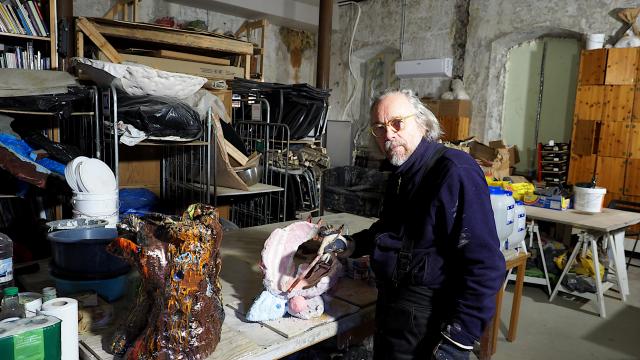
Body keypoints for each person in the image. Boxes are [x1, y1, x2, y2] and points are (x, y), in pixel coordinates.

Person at [347, 89, 506, 360]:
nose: (388, 134)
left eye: (397, 123)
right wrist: (351, 244)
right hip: (395, 310)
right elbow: (391, 228)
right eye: (379, 127)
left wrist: (458, 341)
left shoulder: (454, 171)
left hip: (429, 321)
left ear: (422, 123)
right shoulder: (402, 172)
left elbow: (485, 265)